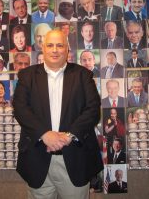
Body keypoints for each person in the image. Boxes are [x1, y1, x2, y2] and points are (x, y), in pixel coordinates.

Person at [13, 29, 102, 197]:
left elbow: (92, 110)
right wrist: (44, 134)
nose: (55, 50)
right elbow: (20, 109)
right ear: (43, 48)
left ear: (67, 49)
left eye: (60, 45)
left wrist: (68, 136)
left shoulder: (83, 75)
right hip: (37, 157)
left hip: (75, 158)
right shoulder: (27, 75)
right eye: (50, 45)